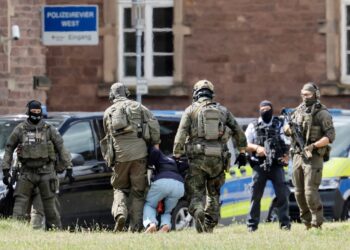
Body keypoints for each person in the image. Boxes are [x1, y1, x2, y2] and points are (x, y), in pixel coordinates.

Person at [173, 79, 247, 233]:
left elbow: (180, 134)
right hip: (218, 159)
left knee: (195, 193)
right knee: (213, 194)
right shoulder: (223, 111)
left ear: (196, 93)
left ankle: (198, 209)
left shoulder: (190, 110)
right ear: (211, 94)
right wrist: (242, 152)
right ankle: (209, 227)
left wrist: (177, 154)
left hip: (197, 159)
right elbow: (238, 131)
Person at [1, 100, 73, 229]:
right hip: (27, 172)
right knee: (20, 205)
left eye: (37, 112)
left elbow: (61, 147)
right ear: (28, 112)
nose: (35, 114)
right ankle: (16, 232)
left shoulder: (48, 129)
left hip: (45, 172)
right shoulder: (20, 129)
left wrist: (68, 167)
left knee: (50, 206)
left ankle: (56, 232)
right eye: (33, 112)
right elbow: (9, 148)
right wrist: (6, 170)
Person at [103, 82, 160, 232]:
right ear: (126, 93)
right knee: (138, 193)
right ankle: (135, 227)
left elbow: (107, 136)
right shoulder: (139, 107)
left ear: (112, 95)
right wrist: (155, 144)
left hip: (120, 157)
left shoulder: (108, 111)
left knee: (120, 188)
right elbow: (154, 126)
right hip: (140, 156)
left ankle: (120, 213)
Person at [284, 82, 335, 229]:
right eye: (303, 94)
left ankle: (316, 223)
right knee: (298, 193)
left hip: (313, 156)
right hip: (297, 156)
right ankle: (306, 223)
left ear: (315, 94)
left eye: (308, 94)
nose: (305, 97)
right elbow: (286, 129)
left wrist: (314, 146)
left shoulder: (322, 113)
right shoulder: (297, 111)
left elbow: (330, 136)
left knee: (310, 192)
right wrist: (288, 129)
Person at [245, 100, 291, 232]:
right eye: (263, 109)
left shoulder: (280, 124)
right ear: (259, 110)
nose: (265, 111)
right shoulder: (253, 125)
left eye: (268, 109)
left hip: (277, 165)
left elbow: (288, 142)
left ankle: (285, 225)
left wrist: (287, 156)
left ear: (272, 110)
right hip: (259, 165)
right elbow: (244, 144)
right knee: (256, 195)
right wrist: (257, 148)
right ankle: (252, 226)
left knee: (282, 195)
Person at [143, 146, 188, 233]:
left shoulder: (160, 155)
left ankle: (151, 224)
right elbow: (186, 165)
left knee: (150, 205)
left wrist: (149, 166)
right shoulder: (174, 161)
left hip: (162, 181)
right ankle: (165, 225)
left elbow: (155, 151)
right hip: (179, 185)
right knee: (167, 211)